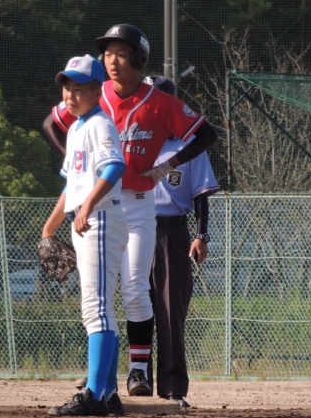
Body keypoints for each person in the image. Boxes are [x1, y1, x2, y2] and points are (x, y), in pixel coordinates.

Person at [43, 24, 218, 398]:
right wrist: (78, 164)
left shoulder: (160, 102)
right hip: (101, 206)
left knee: (136, 288)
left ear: (139, 59)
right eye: (108, 53)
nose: (112, 60)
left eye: (121, 53)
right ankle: (101, 379)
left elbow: (207, 134)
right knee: (99, 297)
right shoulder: (93, 93)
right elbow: (51, 124)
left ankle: (138, 371)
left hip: (138, 205)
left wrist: (168, 165)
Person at [43, 55, 128, 416]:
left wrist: (88, 206)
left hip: (100, 218)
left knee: (97, 309)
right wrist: (49, 226)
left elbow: (115, 166)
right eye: (66, 87)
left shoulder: (99, 124)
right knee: (97, 308)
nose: (70, 94)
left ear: (97, 91)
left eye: (79, 88)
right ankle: (107, 392)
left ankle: (94, 395)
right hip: (88, 220)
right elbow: (72, 185)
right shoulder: (77, 127)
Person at [146, 75, 220, 408]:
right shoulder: (133, 141)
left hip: (171, 233)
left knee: (169, 310)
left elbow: (201, 194)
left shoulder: (188, 145)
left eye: (156, 101)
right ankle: (136, 383)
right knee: (136, 309)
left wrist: (201, 235)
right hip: (134, 230)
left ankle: (173, 388)